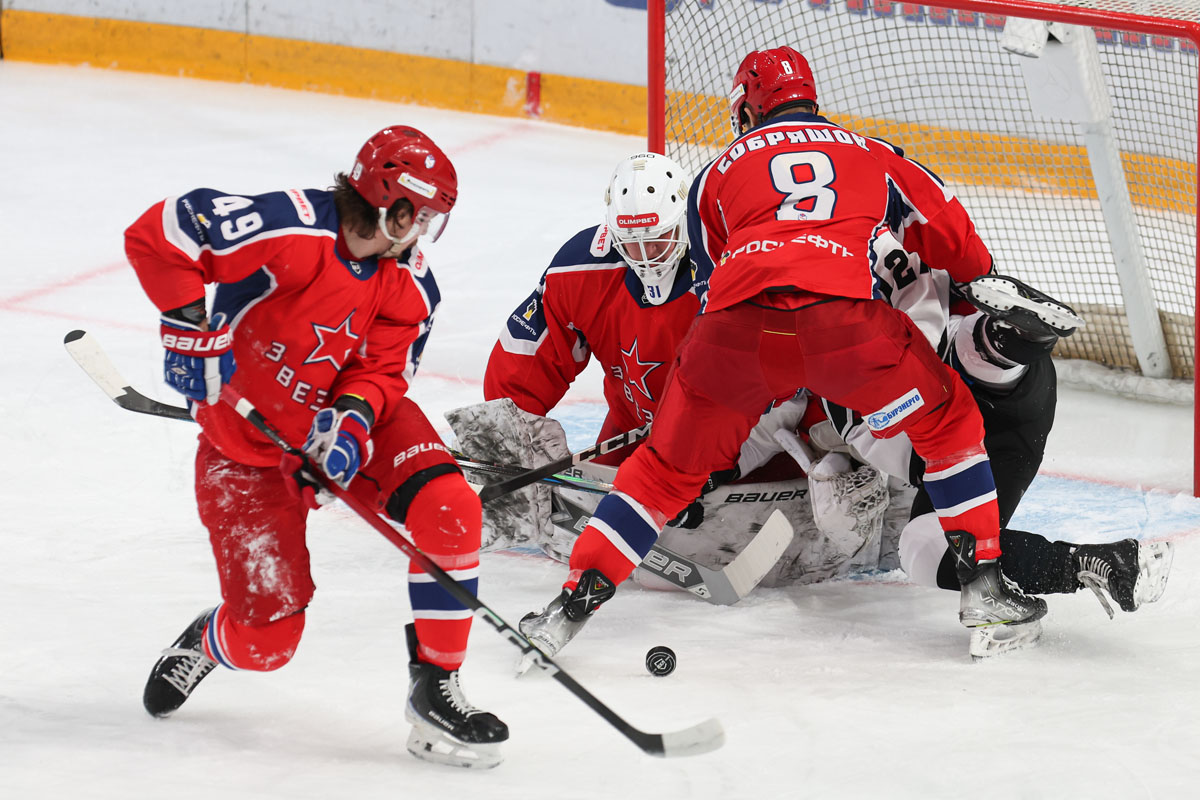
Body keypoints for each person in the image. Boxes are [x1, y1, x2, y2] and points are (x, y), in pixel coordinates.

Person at [520, 45, 1049, 658]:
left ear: (748, 110)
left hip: (734, 334)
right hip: (845, 325)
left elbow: (709, 286)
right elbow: (952, 235)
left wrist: (746, 384)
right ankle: (984, 589)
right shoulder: (871, 152)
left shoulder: (713, 174)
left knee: (661, 473)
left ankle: (569, 606)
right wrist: (979, 289)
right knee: (949, 421)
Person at [123, 126, 508, 768]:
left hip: (350, 421)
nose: (424, 234)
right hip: (244, 450)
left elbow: (382, 370)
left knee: (451, 509)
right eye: (423, 217)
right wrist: (187, 323)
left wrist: (348, 427)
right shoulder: (289, 227)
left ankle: (435, 686)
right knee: (267, 646)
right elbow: (163, 231)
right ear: (396, 208)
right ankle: (208, 641)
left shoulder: (411, 283)